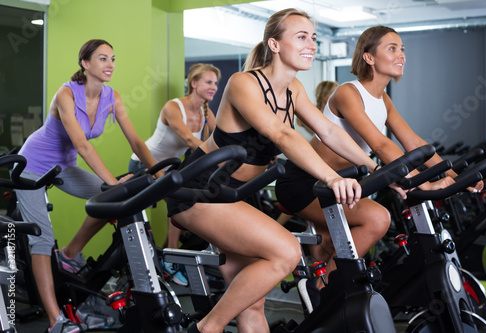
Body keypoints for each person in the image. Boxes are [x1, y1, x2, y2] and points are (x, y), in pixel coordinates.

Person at [166, 9, 397, 333]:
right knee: (286, 251)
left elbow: (328, 132)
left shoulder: (295, 90)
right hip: (199, 190)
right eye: (301, 37)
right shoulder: (243, 83)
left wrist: (378, 168)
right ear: (274, 44)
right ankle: (206, 328)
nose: (312, 44)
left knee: (251, 301)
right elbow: (282, 134)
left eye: (313, 38)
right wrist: (330, 176)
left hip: (234, 196)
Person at [275, 25, 479, 310]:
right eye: (392, 48)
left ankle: (329, 297)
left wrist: (459, 177)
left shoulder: (383, 100)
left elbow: (415, 143)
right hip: (307, 182)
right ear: (369, 57)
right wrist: (424, 184)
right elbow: (381, 145)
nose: (401, 55)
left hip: (341, 186)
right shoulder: (348, 92)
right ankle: (320, 288)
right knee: (377, 219)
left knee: (339, 245)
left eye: (402, 49)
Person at [15, 39, 159, 333]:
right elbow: (82, 145)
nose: (110, 65)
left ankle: (68, 255)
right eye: (103, 58)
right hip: (33, 164)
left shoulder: (113, 97)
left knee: (110, 202)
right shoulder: (67, 93)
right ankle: (57, 321)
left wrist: (157, 172)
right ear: (85, 63)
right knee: (41, 240)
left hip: (64, 166)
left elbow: (135, 141)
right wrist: (112, 182)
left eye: (113, 59)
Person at [128, 63, 219, 285]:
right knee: (177, 201)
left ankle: (170, 257)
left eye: (216, 83)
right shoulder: (173, 107)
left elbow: (218, 138)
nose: (214, 87)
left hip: (170, 167)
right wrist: (216, 158)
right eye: (208, 82)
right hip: (144, 163)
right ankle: (170, 256)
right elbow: (190, 140)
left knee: (181, 203)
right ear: (194, 83)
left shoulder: (206, 112)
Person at [276, 80, 338, 226]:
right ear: (325, 96)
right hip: (294, 164)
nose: (337, 96)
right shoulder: (311, 117)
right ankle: (277, 225)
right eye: (334, 92)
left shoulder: (330, 117)